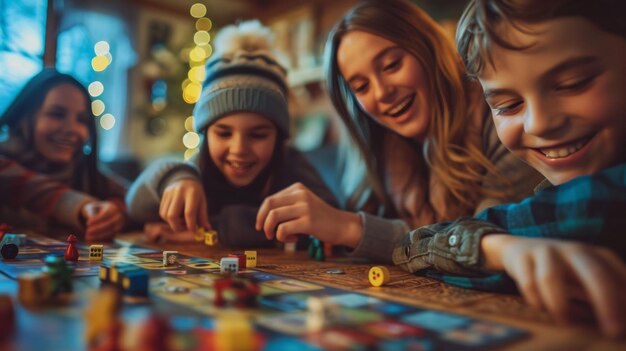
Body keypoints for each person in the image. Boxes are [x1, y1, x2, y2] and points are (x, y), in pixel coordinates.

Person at [394, 0, 626, 337]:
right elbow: (413, 245)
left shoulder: (593, 204)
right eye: (507, 105)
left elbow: (412, 245)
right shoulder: (557, 208)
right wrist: (502, 248)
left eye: (574, 83)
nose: (540, 123)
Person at [255, 0, 542, 260]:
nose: (382, 93)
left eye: (392, 64)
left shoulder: (503, 118)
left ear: (428, 50)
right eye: (362, 87)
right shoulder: (377, 149)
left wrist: (351, 228)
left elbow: (482, 245)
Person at [125, 20, 337, 246]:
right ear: (205, 134)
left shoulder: (291, 164)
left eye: (258, 135)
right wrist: (173, 176)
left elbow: (329, 223)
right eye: (224, 134)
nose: (238, 150)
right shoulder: (196, 169)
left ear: (280, 137)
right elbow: (135, 208)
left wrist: (212, 230)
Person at [0, 68, 127, 241]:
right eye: (57, 114)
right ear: (23, 117)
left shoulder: (85, 172)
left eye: (82, 120)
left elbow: (134, 198)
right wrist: (83, 207)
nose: (72, 129)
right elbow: (33, 189)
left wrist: (115, 211)